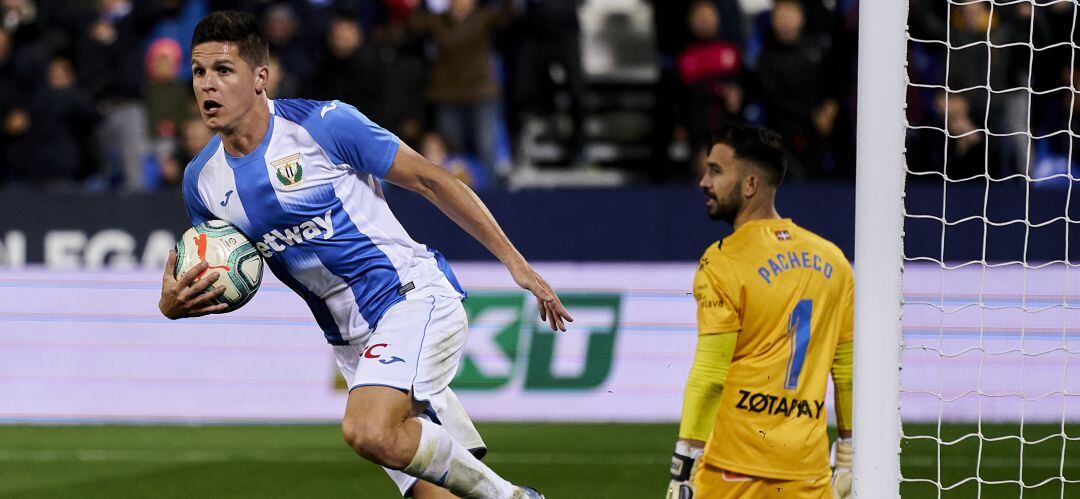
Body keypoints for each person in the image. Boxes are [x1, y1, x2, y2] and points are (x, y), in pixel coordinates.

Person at [157, 11, 570, 499]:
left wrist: (517, 265)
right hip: (351, 343)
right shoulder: (201, 182)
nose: (208, 84)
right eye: (200, 72)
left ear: (260, 78)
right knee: (430, 486)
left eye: (224, 71)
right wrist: (172, 305)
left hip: (410, 297)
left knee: (367, 430)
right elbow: (220, 267)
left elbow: (433, 181)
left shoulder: (324, 124)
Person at [665, 125, 852, 499]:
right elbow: (846, 370)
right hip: (807, 475)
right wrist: (848, 456)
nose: (703, 182)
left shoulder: (722, 261)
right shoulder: (833, 260)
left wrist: (683, 466)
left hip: (732, 471)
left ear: (750, 185)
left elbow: (710, 374)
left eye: (716, 171)